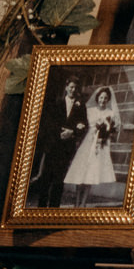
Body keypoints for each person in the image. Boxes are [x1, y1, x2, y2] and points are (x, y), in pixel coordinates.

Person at [30, 76, 90, 208]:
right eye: (71, 87)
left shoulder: (80, 106)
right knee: (46, 178)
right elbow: (48, 123)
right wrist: (60, 133)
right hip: (52, 145)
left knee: (59, 180)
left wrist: (72, 133)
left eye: (75, 88)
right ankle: (41, 208)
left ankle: (53, 208)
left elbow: (84, 124)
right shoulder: (57, 102)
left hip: (66, 149)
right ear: (66, 87)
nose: (73, 90)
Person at [62, 86, 121, 206]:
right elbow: (82, 125)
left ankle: (83, 204)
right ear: (97, 98)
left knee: (90, 174)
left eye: (105, 98)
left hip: (99, 147)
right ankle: (76, 203)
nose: (102, 100)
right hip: (86, 144)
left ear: (108, 99)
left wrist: (106, 132)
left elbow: (114, 130)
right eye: (101, 97)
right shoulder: (90, 110)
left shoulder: (110, 113)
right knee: (80, 173)